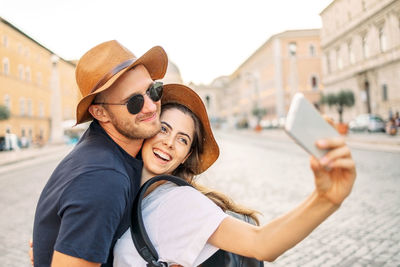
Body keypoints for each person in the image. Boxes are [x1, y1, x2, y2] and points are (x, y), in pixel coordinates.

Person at [113, 84, 357, 266]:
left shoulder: (179, 202)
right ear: (147, 130)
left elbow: (262, 244)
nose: (168, 143)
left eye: (182, 139)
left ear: (186, 155)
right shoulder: (123, 187)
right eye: (164, 129)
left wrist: (326, 199)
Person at [32, 40, 169, 267]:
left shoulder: (107, 150)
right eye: (134, 102)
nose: (151, 106)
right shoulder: (104, 179)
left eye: (153, 90)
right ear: (100, 112)